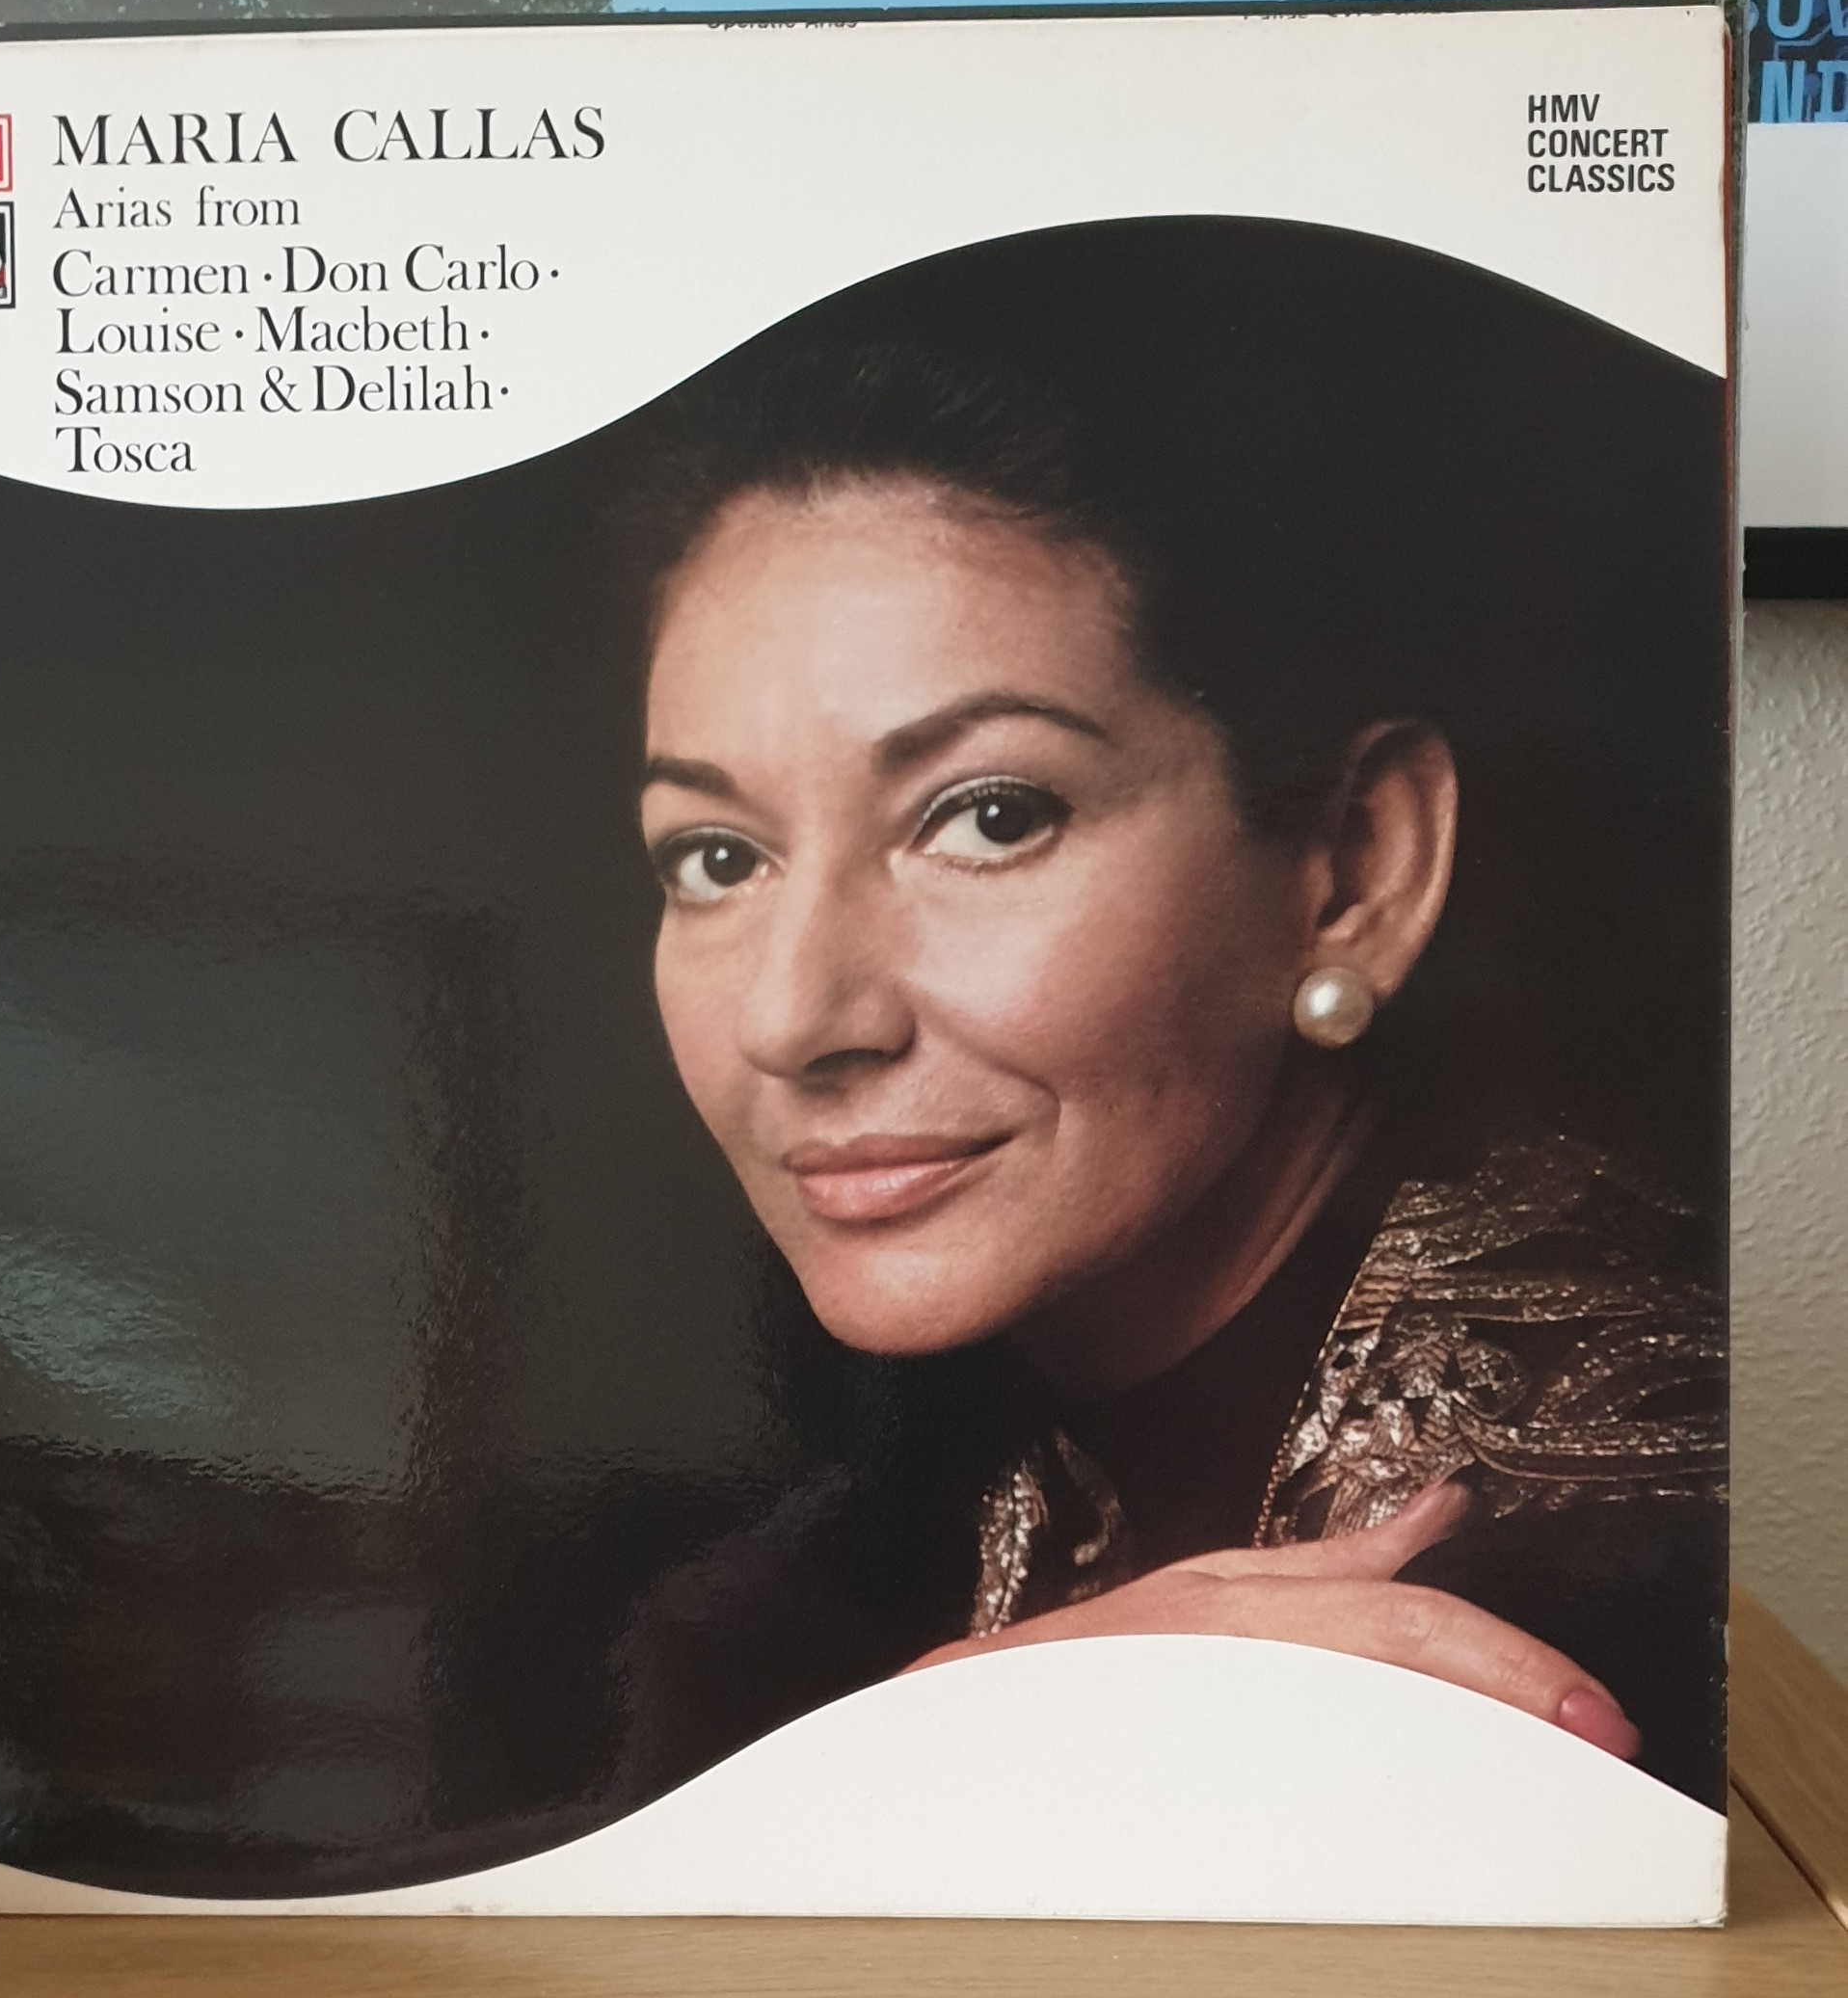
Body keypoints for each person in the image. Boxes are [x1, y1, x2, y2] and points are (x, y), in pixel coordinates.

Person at [618, 218, 1729, 1804]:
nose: (798, 1017)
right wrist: (951, 1723)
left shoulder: (1609, 1570)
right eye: (718, 856)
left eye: (988, 816)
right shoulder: (808, 1582)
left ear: (1356, 868)